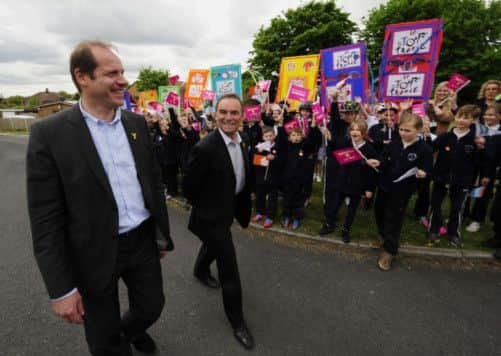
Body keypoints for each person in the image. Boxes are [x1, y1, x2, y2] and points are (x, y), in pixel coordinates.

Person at [26, 40, 174, 356]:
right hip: (91, 251)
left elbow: (152, 181)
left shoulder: (136, 124)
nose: (123, 80)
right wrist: (61, 289)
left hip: (142, 241)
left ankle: (126, 333)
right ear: (83, 77)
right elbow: (44, 220)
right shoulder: (49, 135)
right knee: (103, 339)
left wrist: (160, 233)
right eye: (111, 73)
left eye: (122, 72)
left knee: (151, 307)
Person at [183, 93, 255, 350]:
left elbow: (242, 172)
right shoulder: (205, 148)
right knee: (229, 268)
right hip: (212, 216)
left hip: (231, 209)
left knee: (214, 246)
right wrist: (210, 206)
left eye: (234, 112)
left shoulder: (244, 139)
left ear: (242, 115)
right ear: (215, 114)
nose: (228, 117)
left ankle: (200, 269)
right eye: (223, 112)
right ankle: (237, 322)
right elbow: (189, 187)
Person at [375, 112, 433, 271]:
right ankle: (383, 234)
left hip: (402, 190)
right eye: (401, 129)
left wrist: (424, 173)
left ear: (419, 130)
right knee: (379, 211)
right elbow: (383, 158)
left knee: (394, 218)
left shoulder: (424, 149)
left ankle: (389, 250)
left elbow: (428, 169)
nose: (403, 133)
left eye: (408, 131)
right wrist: (378, 162)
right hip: (384, 185)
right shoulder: (394, 143)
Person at [427, 105, 490, 246]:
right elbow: (429, 149)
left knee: (457, 207)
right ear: (455, 118)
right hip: (441, 177)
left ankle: (453, 232)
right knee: (436, 204)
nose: (461, 120)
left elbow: (481, 161)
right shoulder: (445, 136)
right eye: (459, 116)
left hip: (462, 180)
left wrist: (483, 173)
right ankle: (434, 229)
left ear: (473, 120)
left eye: (466, 118)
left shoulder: (475, 140)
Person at [319, 119, 379, 242]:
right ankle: (329, 224)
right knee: (335, 205)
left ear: (364, 132)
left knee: (351, 210)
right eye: (352, 129)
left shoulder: (369, 149)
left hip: (357, 185)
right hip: (342, 181)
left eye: (358, 130)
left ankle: (346, 230)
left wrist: (369, 188)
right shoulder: (346, 143)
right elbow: (334, 150)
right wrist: (329, 139)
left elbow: (372, 172)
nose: (355, 132)